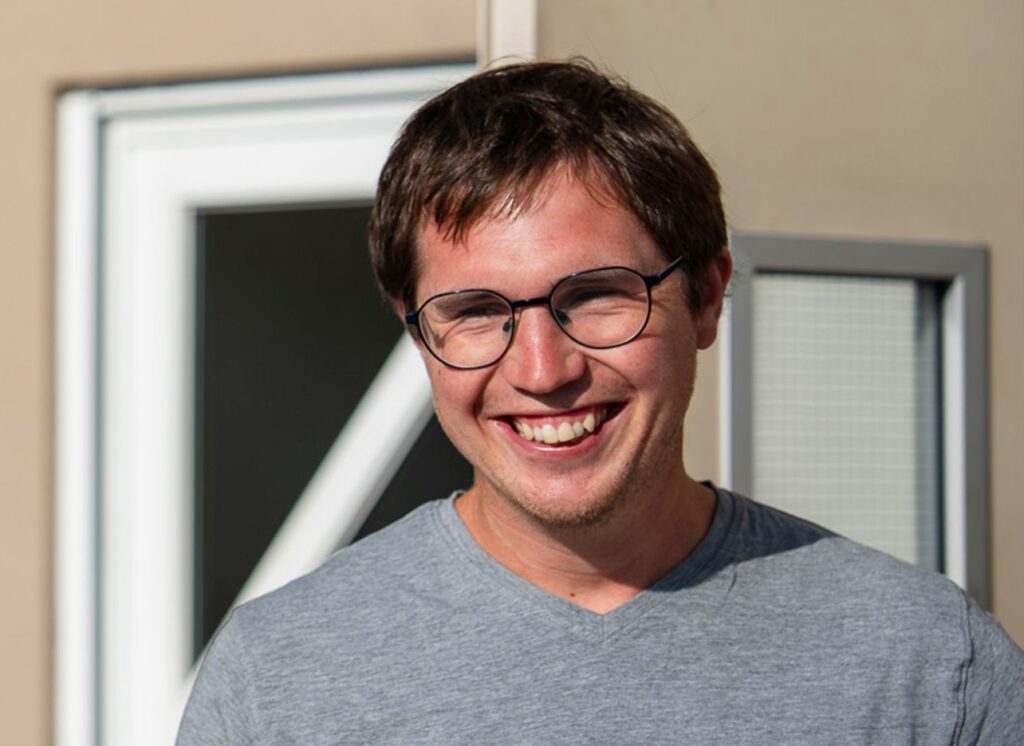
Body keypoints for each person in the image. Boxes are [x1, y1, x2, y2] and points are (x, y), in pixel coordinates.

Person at [178, 59, 1024, 744]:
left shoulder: (925, 667)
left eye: (595, 296)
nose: (542, 370)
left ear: (707, 297)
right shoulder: (278, 682)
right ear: (417, 335)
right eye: (476, 311)